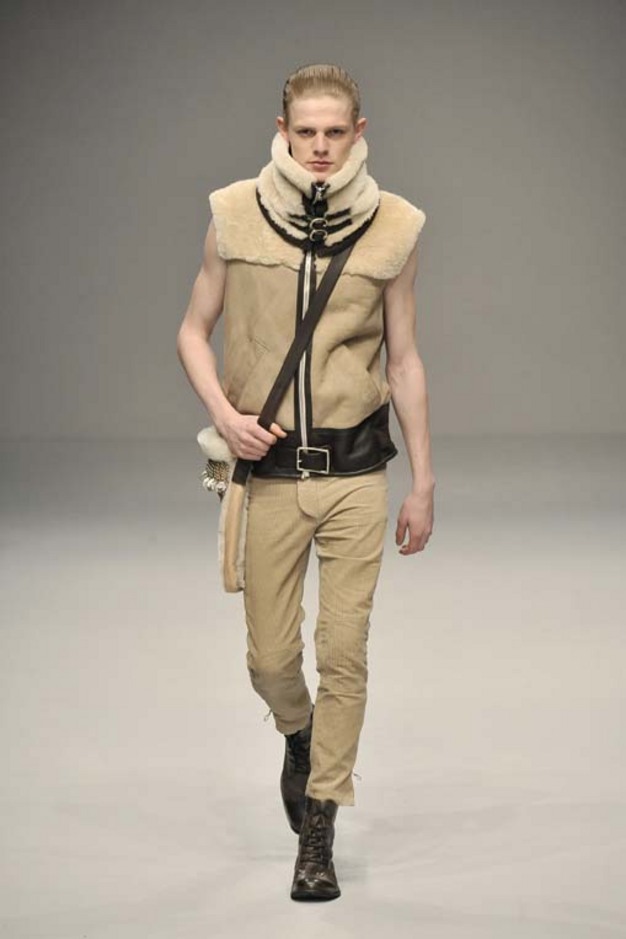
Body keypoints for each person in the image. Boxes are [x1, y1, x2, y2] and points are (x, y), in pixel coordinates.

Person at [176, 63, 435, 902]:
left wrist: (423, 480)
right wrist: (225, 413)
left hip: (358, 472)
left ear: (359, 133)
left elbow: (404, 359)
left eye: (335, 132)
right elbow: (193, 329)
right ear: (282, 132)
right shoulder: (232, 214)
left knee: (344, 652)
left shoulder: (394, 227)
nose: (320, 147)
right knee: (270, 658)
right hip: (272, 473)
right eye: (307, 131)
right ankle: (299, 733)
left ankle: (319, 828)